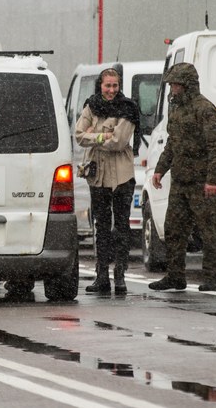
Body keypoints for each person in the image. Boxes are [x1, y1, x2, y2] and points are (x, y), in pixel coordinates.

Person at [149, 62, 216, 292]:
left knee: (210, 232)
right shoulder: (175, 109)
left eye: (176, 84)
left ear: (187, 85)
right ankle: (175, 276)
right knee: (173, 230)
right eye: (172, 84)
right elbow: (173, 143)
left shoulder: (204, 109)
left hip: (202, 183)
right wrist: (160, 169)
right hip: (181, 181)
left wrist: (212, 180)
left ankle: (213, 278)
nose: (173, 89)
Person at [74, 67, 140, 295]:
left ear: (119, 86)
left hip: (122, 176)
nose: (111, 90)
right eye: (107, 85)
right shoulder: (91, 105)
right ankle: (102, 276)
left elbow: (119, 142)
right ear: (100, 86)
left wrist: (94, 133)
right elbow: (79, 135)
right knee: (101, 227)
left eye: (114, 85)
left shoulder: (128, 108)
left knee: (121, 226)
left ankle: (120, 276)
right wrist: (104, 134)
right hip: (97, 176)